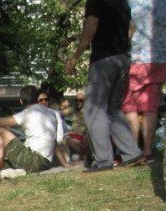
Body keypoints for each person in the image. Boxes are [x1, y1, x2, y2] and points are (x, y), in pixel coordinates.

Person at [66, 0, 146, 172]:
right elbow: (131, 29)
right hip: (123, 58)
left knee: (93, 110)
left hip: (104, 60)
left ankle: (103, 161)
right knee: (112, 109)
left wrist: (74, 58)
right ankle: (132, 154)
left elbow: (91, 28)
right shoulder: (123, 3)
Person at [122, 0, 166, 162]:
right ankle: (147, 151)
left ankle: (133, 152)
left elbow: (126, 28)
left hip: (133, 58)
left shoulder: (130, 2)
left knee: (129, 107)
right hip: (158, 59)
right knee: (150, 108)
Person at [0, 85, 65, 174]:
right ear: (37, 98)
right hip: (46, 164)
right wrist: (64, 163)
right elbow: (54, 142)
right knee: (7, 165)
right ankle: (0, 167)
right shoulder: (52, 113)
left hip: (34, 161)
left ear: (21, 101)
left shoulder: (26, 114)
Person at [65, 91, 91, 161]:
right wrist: (64, 105)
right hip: (74, 135)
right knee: (65, 138)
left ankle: (80, 156)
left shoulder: (89, 111)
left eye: (81, 100)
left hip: (84, 135)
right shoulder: (73, 110)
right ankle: (77, 156)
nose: (78, 102)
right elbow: (61, 112)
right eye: (76, 100)